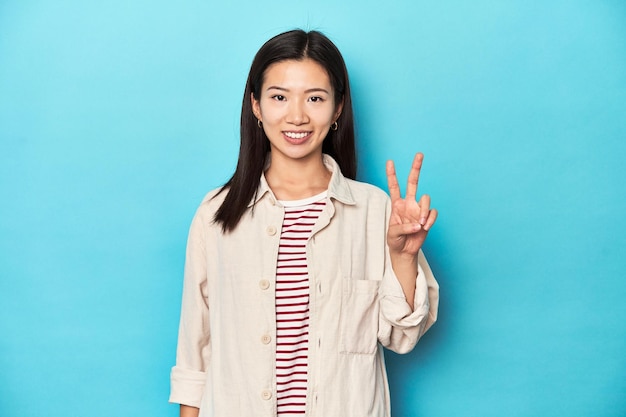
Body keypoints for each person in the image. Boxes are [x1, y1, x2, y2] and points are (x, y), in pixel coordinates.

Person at [169, 29, 439, 417]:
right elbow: (195, 355)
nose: (297, 116)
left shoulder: (374, 210)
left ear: (338, 108)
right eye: (279, 97)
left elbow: (402, 337)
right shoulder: (216, 214)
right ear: (256, 106)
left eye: (315, 98)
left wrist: (402, 258)